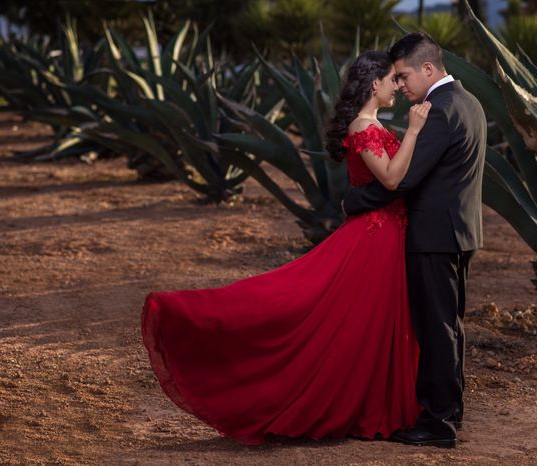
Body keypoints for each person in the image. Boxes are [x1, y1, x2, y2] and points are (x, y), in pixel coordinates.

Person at [141, 51, 431, 445]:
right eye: (392, 80)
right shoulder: (363, 127)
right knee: (330, 315)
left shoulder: (375, 124)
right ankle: (187, 314)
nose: (398, 86)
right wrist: (413, 131)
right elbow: (392, 180)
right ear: (373, 84)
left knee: (370, 325)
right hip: (373, 238)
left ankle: (373, 403)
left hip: (387, 234)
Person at [342, 33, 487, 449]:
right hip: (460, 232)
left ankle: (438, 424)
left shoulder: (439, 110)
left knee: (436, 330)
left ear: (428, 68)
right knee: (450, 328)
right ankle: (450, 413)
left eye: (404, 75)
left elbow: (401, 180)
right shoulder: (469, 101)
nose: (402, 85)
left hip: (434, 236)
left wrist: (353, 200)